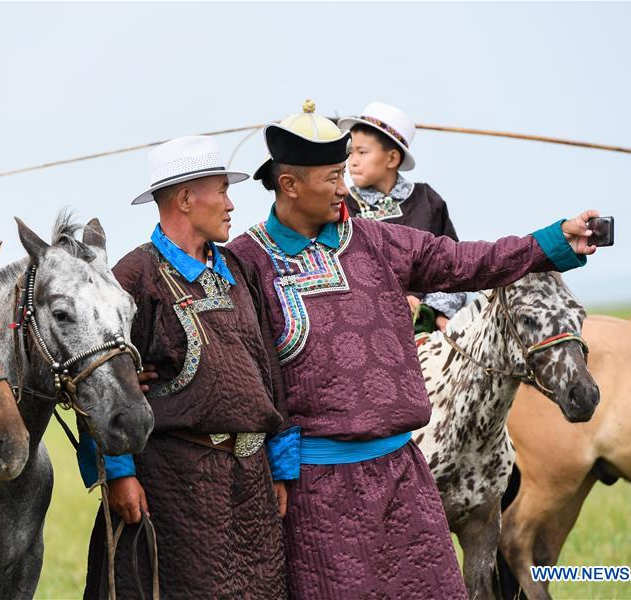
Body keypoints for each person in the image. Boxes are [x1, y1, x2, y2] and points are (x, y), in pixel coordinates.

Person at [227, 100, 601, 599]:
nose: (345, 188)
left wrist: (554, 240)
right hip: (316, 489)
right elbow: (239, 373)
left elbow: (472, 261)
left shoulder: (378, 241)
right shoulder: (246, 263)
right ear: (289, 184)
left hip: (403, 475)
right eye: (332, 176)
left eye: (346, 171)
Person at [79, 135, 298, 599]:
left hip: (251, 484)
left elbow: (268, 370)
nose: (231, 204)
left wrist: (280, 464)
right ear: (184, 198)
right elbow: (102, 387)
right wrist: (118, 472)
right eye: (221, 190)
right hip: (175, 485)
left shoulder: (240, 269)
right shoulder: (133, 278)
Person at [340, 101, 465, 332]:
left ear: (392, 159)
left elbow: (452, 265)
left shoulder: (427, 201)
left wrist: (431, 311)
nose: (353, 161)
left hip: (423, 329)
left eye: (362, 152)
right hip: (361, 326)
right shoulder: (341, 206)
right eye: (350, 152)